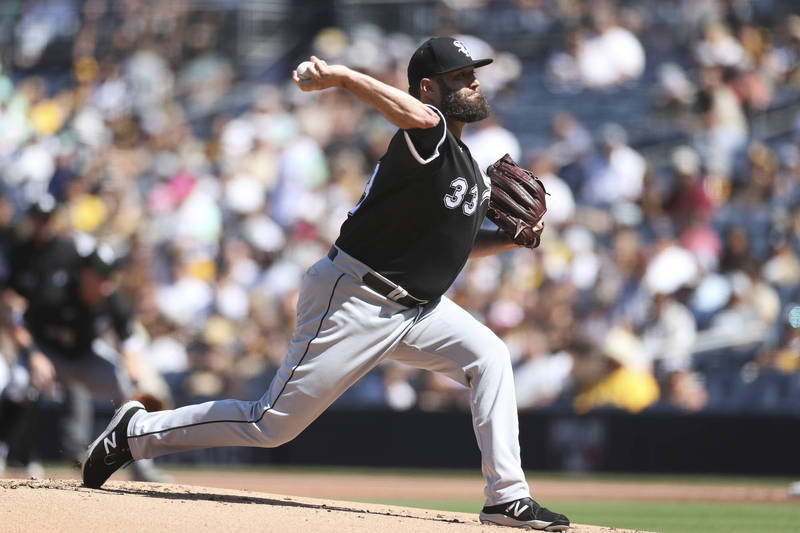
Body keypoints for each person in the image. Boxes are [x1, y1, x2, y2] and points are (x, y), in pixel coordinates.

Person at [82, 37, 569, 531]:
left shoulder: (467, 166)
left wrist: (511, 242)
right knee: (268, 425)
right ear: (429, 89)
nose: (475, 81)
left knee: (490, 356)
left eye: (473, 74)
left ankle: (506, 499)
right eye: (462, 76)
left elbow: (453, 243)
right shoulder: (427, 131)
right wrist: (342, 77)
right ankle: (136, 431)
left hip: (416, 310)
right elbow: (415, 116)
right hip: (355, 298)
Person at [2, 199, 168, 482]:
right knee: (18, 384)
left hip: (85, 358)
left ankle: (142, 466)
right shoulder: (55, 292)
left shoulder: (113, 300)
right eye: (100, 275)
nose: (106, 283)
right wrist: (32, 354)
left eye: (110, 276)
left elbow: (129, 346)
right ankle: (8, 454)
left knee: (130, 391)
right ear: (84, 273)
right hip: (48, 354)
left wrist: (137, 384)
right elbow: (18, 323)